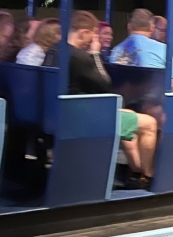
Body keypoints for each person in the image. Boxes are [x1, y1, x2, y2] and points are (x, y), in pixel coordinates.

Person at [66, 10, 159, 189]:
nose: (94, 39)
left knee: (130, 117)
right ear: (83, 33)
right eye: (93, 34)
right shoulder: (79, 57)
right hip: (85, 115)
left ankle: (135, 171)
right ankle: (147, 176)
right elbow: (105, 83)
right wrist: (95, 53)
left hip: (72, 110)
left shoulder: (55, 50)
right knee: (149, 124)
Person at [110, 8, 173, 90]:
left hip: (122, 97)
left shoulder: (116, 50)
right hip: (155, 97)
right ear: (152, 28)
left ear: (129, 26)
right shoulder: (164, 49)